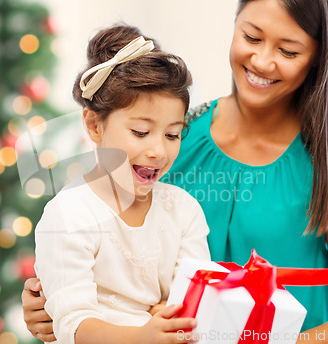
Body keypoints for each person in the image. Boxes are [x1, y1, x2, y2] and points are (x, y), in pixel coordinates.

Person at [24, 0, 328, 342]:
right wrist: (48, 301)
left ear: (318, 57)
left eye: (288, 51)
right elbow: (99, 247)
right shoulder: (172, 137)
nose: (262, 60)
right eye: (252, 37)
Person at [34, 24, 212, 344]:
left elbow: (198, 300)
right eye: (141, 132)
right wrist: (142, 336)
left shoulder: (183, 210)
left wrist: (174, 312)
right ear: (94, 125)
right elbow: (73, 324)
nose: (158, 150)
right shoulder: (69, 214)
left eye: (173, 134)